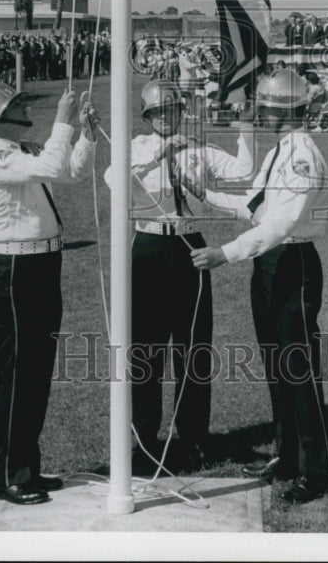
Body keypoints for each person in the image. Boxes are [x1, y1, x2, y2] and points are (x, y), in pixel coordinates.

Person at [190, 69, 328, 503]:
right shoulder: (280, 152)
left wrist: (226, 253)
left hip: (293, 261)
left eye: (265, 107)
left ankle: (315, 469)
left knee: (297, 368)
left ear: (284, 110)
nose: (258, 113)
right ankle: (287, 455)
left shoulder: (302, 154)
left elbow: (282, 222)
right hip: (271, 260)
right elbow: (254, 205)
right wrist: (205, 192)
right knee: (276, 365)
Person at [106, 79, 253, 473]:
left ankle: (191, 440)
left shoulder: (198, 147)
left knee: (193, 349)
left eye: (172, 110)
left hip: (190, 248)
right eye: (157, 112)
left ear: (181, 111)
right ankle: (143, 442)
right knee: (145, 350)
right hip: (149, 248)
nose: (165, 117)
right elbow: (113, 182)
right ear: (147, 116)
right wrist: (158, 155)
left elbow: (243, 170)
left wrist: (245, 126)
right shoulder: (136, 147)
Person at [0, 82, 96, 506]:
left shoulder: (20, 150)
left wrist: (84, 133)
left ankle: (27, 466)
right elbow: (48, 168)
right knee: (18, 374)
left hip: (41, 264)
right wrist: (62, 120)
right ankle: (8, 475)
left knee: (37, 372)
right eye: (16, 104)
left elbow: (67, 171)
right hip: (15, 269)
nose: (25, 107)